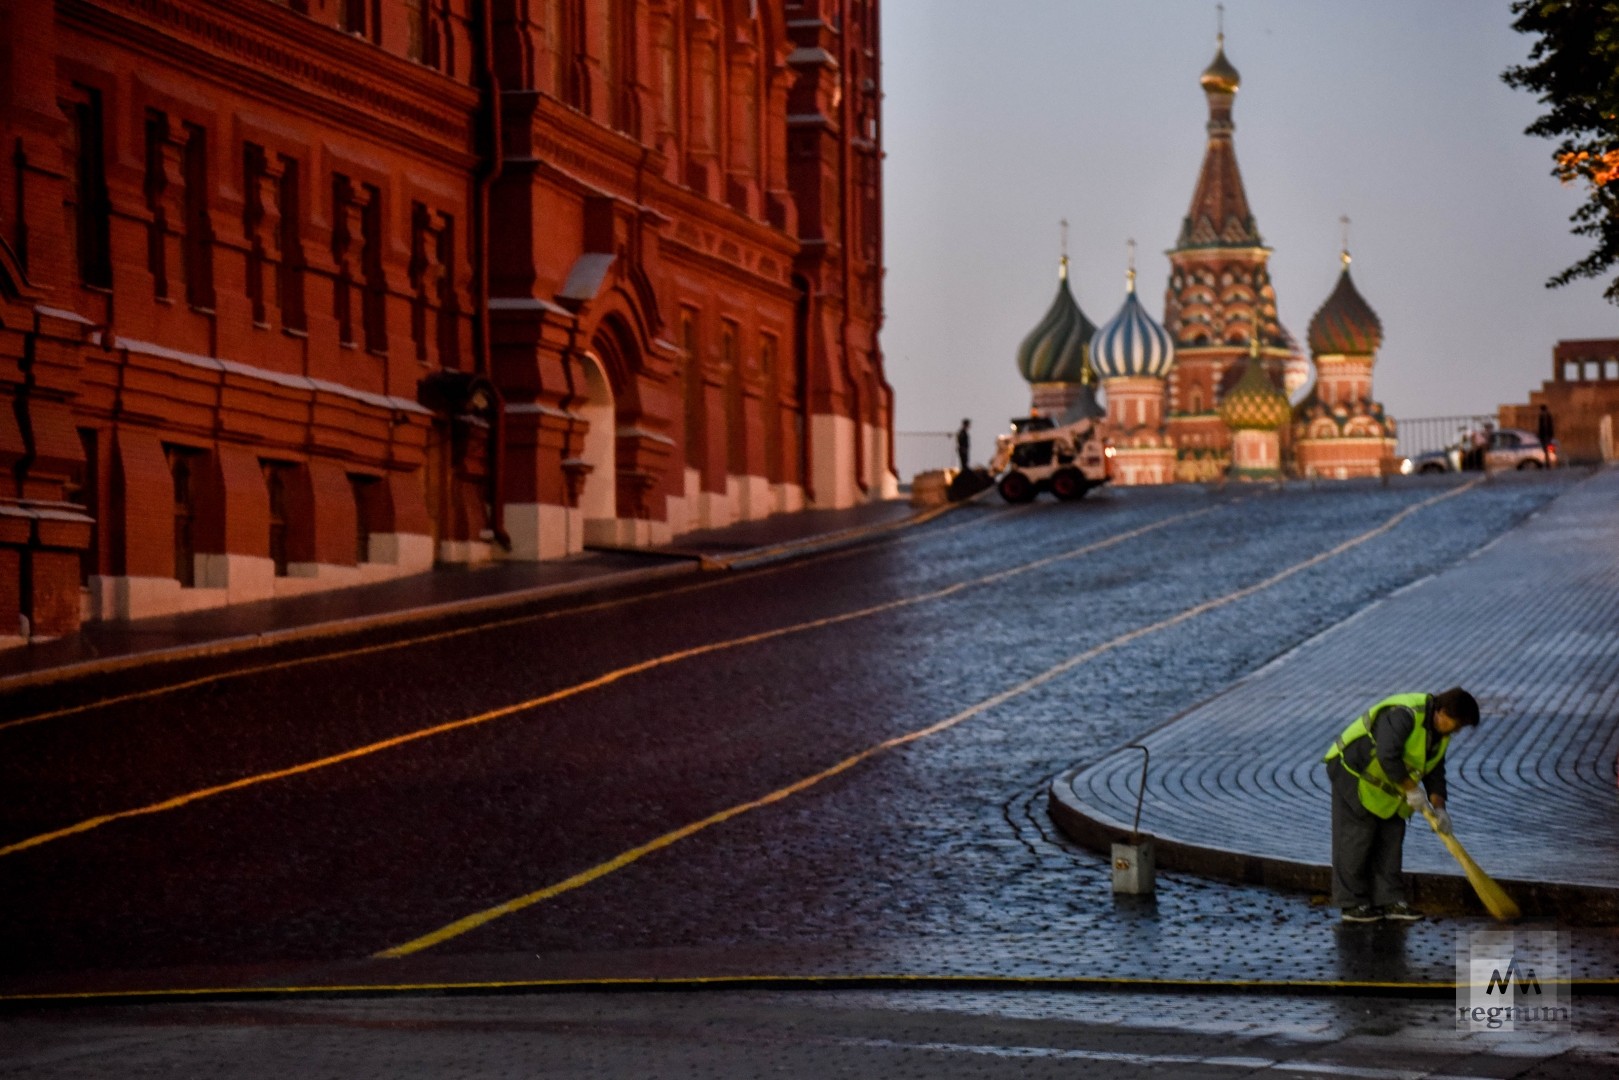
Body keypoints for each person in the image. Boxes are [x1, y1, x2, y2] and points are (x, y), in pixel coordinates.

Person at [1321, 687, 1480, 923]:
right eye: (1456, 724)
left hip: (1388, 783)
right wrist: (1412, 789)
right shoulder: (1405, 714)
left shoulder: (1441, 734)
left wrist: (1439, 807)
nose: (1457, 730)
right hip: (1354, 772)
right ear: (1441, 712)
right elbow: (1387, 755)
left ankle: (1390, 900)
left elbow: (1434, 769)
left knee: (1392, 837)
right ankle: (1352, 903)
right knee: (1357, 838)